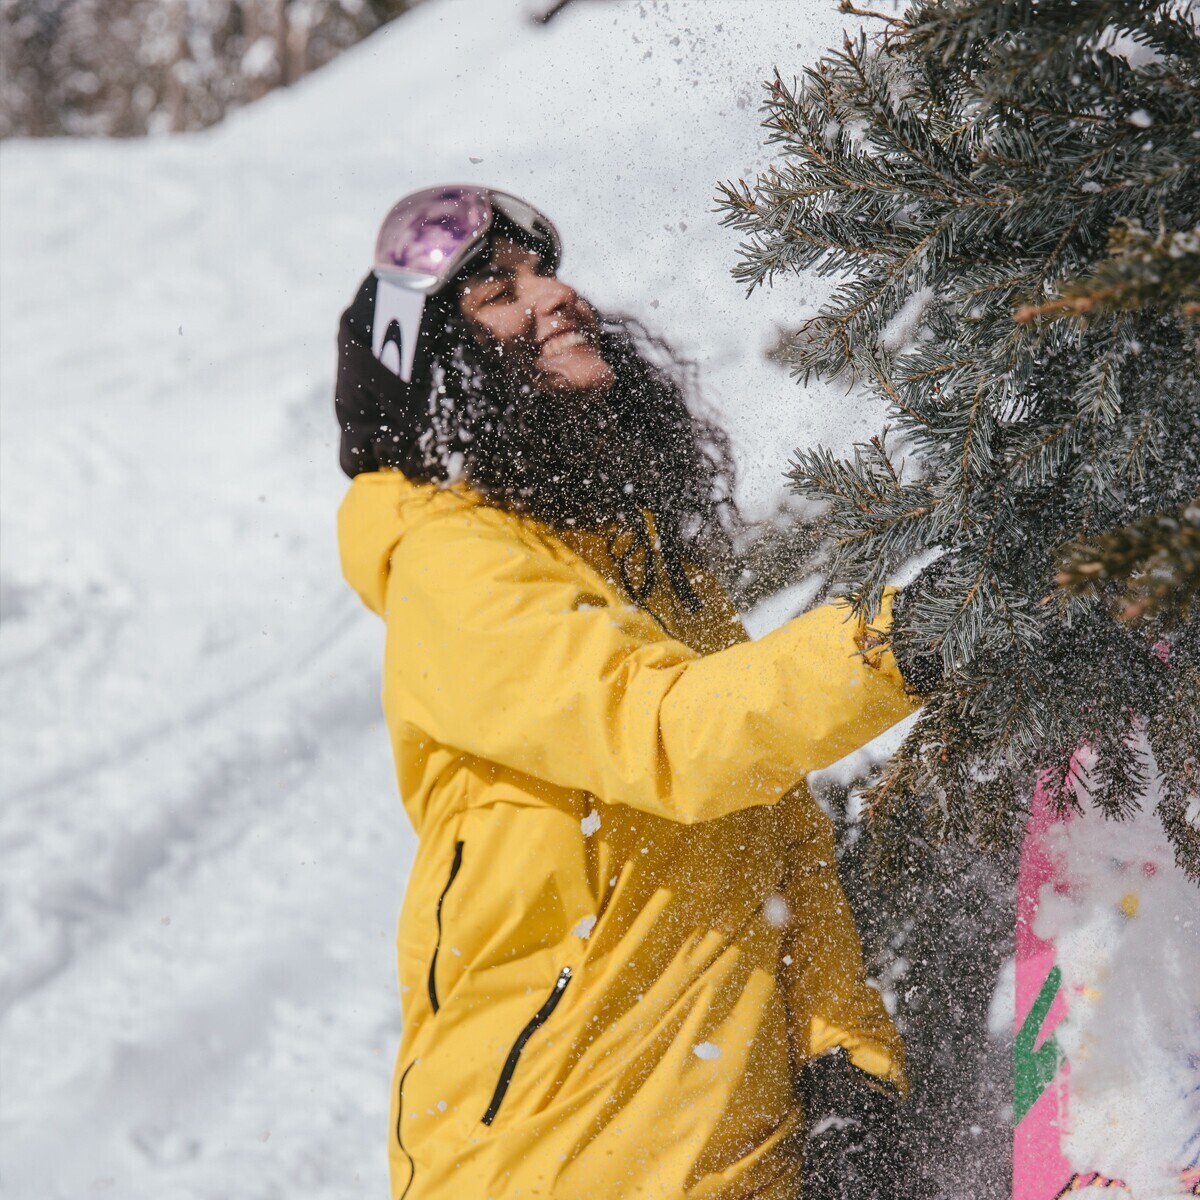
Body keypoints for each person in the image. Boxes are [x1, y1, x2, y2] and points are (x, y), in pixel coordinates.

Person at [334, 185, 920, 1200]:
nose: (557, 294)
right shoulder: (451, 566)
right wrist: (910, 637)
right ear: (435, 376)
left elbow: (776, 824)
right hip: (545, 1168)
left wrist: (842, 1053)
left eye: (545, 269)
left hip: (741, 1165)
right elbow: (677, 738)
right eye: (497, 292)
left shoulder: (646, 569)